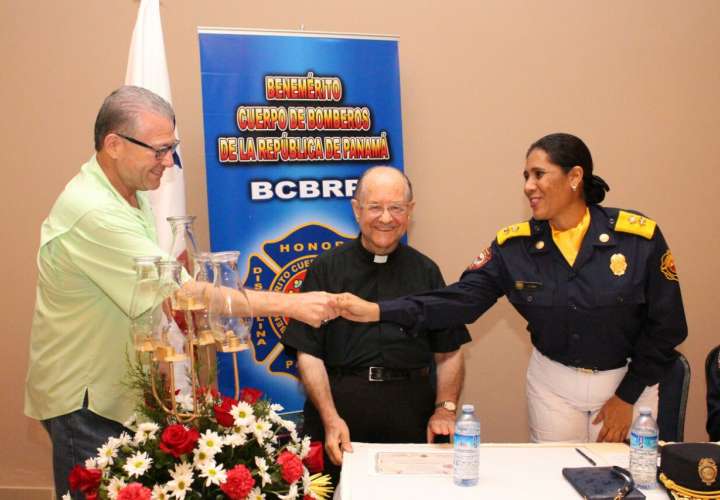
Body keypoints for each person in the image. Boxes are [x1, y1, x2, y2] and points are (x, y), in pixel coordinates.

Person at [25, 86, 337, 499]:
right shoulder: (95, 210)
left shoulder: (125, 195)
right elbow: (185, 292)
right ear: (114, 145)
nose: (169, 162)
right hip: (87, 400)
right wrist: (290, 303)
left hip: (116, 392)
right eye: (159, 150)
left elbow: (159, 288)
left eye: (172, 148)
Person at [338, 133, 688, 443]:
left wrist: (626, 397)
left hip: (629, 382)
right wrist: (379, 310)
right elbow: (459, 301)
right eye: (525, 176)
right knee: (554, 483)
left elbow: (668, 326)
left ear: (575, 177)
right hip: (555, 387)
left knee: (627, 481)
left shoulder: (637, 238)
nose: (528, 186)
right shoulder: (514, 247)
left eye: (539, 175)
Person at [282, 166, 471, 482]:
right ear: (356, 210)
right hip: (341, 420)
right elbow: (308, 354)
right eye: (375, 207)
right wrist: (330, 418)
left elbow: (450, 351)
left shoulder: (426, 271)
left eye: (396, 208)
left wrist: (445, 410)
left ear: (409, 212)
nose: (386, 218)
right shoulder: (326, 269)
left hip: (412, 418)